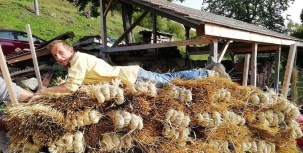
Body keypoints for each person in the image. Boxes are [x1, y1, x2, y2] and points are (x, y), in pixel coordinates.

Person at [36, 40, 229, 95]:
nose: (59, 57)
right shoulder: (77, 62)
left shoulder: (77, 61)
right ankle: (205, 71)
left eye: (61, 52)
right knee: (168, 78)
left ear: (70, 50)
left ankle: (209, 72)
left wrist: (45, 91)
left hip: (132, 77)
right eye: (55, 56)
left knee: (169, 79)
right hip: (131, 76)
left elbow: (70, 88)